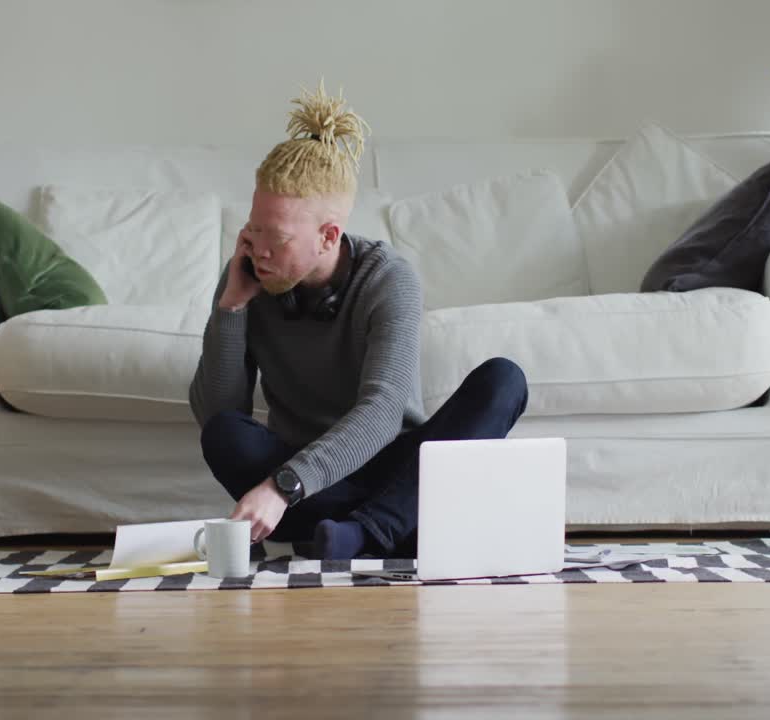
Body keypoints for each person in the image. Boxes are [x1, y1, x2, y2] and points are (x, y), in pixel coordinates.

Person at [188, 81, 528, 560]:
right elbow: (220, 412)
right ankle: (384, 529)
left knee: (503, 380)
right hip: (314, 478)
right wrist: (231, 310)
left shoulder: (388, 280)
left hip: (388, 463)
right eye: (253, 227)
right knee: (224, 434)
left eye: (277, 238)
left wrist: (283, 488)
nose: (258, 249)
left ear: (328, 236)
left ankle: (363, 533)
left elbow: (383, 413)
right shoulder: (249, 274)